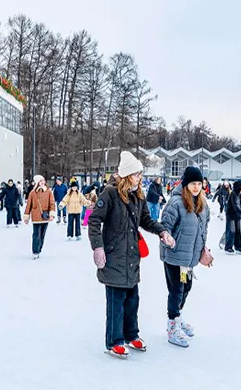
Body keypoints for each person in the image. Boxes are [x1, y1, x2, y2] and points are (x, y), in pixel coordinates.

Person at [88, 151, 175, 359]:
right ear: (127, 175)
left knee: (132, 300)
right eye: (136, 174)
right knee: (116, 302)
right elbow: (93, 220)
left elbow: (146, 220)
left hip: (131, 257)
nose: (140, 178)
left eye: (140, 174)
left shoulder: (138, 196)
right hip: (113, 255)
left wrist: (161, 231)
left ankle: (131, 335)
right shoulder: (109, 193)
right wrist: (97, 247)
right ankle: (114, 341)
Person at [159, 166, 211, 348]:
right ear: (185, 184)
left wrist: (204, 249)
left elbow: (203, 229)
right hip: (174, 257)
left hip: (188, 260)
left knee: (186, 286)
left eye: (199, 184)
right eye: (193, 184)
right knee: (176, 290)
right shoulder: (176, 203)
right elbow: (164, 227)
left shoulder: (202, 205)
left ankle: (177, 318)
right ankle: (172, 326)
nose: (196, 187)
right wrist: (169, 240)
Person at [24, 175, 55, 258]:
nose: (42, 183)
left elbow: (52, 204)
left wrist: (52, 214)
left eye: (43, 181)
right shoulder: (33, 193)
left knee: (42, 234)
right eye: (40, 181)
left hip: (45, 217)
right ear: (37, 182)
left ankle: (39, 249)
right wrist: (26, 217)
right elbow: (28, 205)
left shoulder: (48, 192)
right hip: (36, 217)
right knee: (36, 234)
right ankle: (35, 251)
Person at [224, 180, 241, 255]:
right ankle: (228, 247)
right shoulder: (233, 194)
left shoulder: (239, 195)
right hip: (231, 215)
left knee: (238, 232)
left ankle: (238, 246)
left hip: (237, 216)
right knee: (231, 231)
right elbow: (235, 207)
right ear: (239, 187)